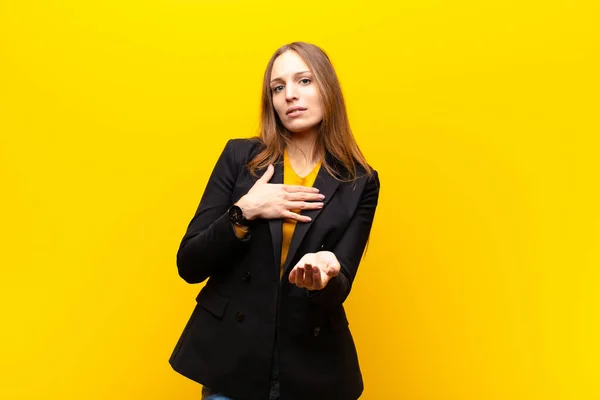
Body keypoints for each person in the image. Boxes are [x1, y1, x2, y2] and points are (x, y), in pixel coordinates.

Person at [169, 41, 380, 400]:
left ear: (328, 88)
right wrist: (245, 211)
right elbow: (189, 264)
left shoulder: (359, 180)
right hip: (234, 360)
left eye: (304, 81)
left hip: (312, 363)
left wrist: (324, 274)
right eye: (278, 87)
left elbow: (339, 286)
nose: (289, 96)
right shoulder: (240, 158)